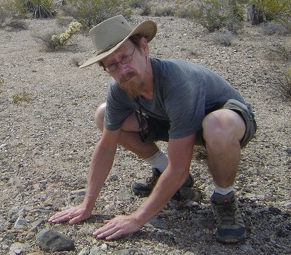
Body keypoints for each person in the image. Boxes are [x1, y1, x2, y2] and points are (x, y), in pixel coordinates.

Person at [48, 15, 257, 244]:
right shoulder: (120, 87)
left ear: (144, 47)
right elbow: (107, 146)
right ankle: (161, 169)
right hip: (174, 120)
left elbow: (180, 168)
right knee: (104, 115)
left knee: (217, 127)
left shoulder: (178, 83)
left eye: (125, 57)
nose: (122, 69)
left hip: (227, 119)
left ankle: (224, 198)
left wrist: (137, 218)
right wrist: (87, 204)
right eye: (112, 65)